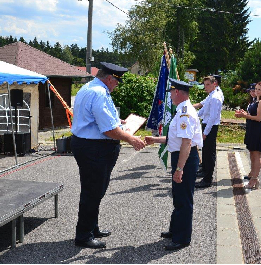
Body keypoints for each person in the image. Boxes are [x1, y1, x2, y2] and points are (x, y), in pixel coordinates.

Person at [71, 62, 146, 249]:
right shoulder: (99, 93)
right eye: (117, 82)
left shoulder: (89, 87)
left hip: (88, 145)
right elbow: (109, 130)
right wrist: (131, 139)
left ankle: (91, 227)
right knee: (93, 191)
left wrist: (118, 122)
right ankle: (83, 236)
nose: (117, 85)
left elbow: (98, 119)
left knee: (95, 190)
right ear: (110, 78)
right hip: (95, 148)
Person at [145, 78, 203, 251]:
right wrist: (155, 140)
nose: (170, 95)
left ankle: (182, 238)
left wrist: (179, 168)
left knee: (184, 199)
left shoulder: (185, 112)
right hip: (181, 155)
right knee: (178, 196)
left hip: (185, 157)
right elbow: (175, 138)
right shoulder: (181, 110)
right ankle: (175, 229)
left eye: (171, 92)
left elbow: (186, 142)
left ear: (177, 92)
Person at [234, 82, 261, 189]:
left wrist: (246, 115)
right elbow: (252, 115)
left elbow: (258, 118)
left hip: (258, 129)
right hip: (252, 128)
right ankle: (253, 175)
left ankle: (254, 179)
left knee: (256, 154)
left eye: (259, 89)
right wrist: (243, 114)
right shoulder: (256, 101)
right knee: (252, 153)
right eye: (256, 89)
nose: (257, 91)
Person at [195, 76, 223, 188]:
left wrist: (205, 133)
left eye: (207, 84)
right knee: (205, 151)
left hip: (210, 127)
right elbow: (202, 110)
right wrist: (192, 116)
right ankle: (205, 171)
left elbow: (212, 117)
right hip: (206, 125)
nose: (205, 87)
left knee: (209, 153)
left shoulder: (215, 97)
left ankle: (207, 179)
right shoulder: (210, 96)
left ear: (214, 84)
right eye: (204, 84)